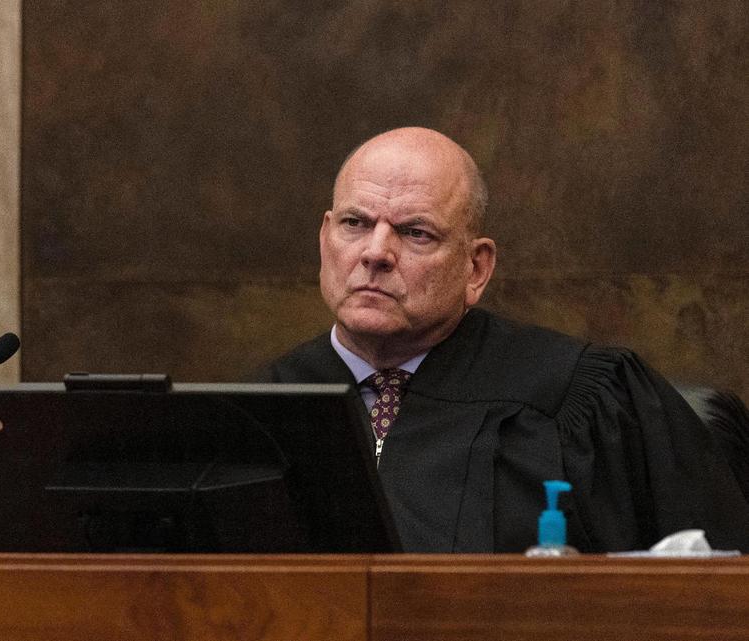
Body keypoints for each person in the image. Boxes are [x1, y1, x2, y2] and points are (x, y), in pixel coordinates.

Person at [255, 127, 749, 553]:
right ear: (325, 239)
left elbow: (709, 590)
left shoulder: (588, 400)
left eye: (416, 233)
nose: (376, 252)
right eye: (355, 223)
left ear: (476, 267)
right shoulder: (257, 410)